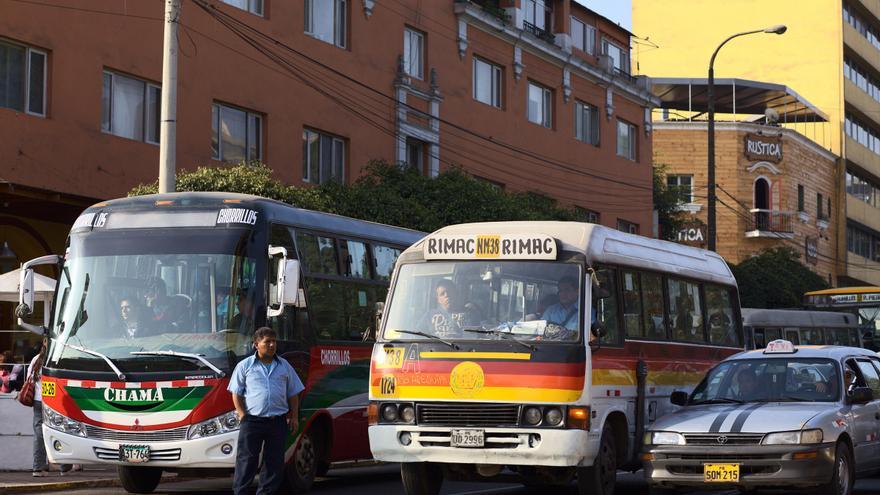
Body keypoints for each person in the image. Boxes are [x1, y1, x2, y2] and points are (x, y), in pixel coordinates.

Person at [227, 327, 304, 495]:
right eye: (267, 342)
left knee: (274, 463)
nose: (271, 345)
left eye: (274, 341)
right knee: (247, 461)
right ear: (256, 345)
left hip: (277, 422)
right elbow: (236, 393)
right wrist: (242, 416)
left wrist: (295, 417)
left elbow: (293, 393)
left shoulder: (284, 366)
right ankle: (240, 492)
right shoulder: (244, 366)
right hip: (252, 422)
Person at [29, 338, 75, 476]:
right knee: (62, 431)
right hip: (56, 401)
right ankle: (64, 466)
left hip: (38, 401)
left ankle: (38, 467)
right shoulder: (60, 358)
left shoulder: (36, 360)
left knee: (39, 434)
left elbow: (29, 379)